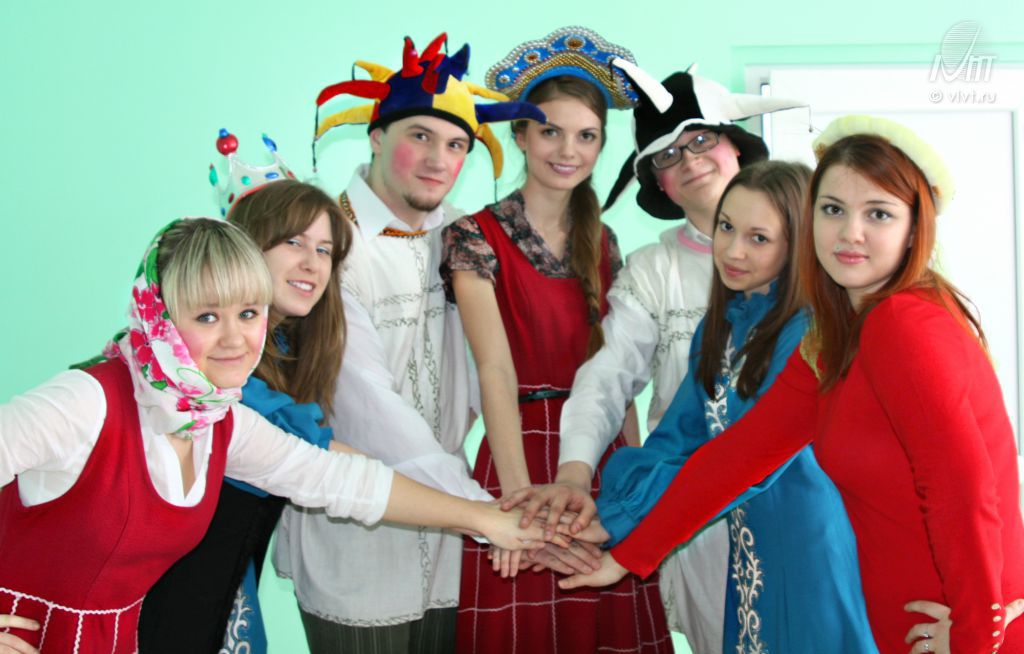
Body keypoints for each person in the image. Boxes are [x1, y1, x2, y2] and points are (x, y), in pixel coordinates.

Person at [558, 116, 1024, 654]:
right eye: (833, 209)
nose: (850, 233)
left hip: (943, 627)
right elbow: (740, 457)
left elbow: (964, 495)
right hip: (904, 622)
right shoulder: (836, 334)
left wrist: (976, 636)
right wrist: (626, 554)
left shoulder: (903, 323)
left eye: (878, 213)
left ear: (916, 229)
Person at [0, 217, 544, 654]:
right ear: (157, 315)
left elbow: (337, 480)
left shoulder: (219, 420)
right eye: (207, 316)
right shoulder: (88, 400)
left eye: (248, 313)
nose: (235, 339)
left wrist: (484, 519)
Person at [504, 59, 804, 653]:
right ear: (657, 183)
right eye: (668, 154)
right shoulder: (652, 271)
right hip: (691, 518)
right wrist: (575, 473)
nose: (689, 160)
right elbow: (607, 377)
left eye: (701, 139)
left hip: (804, 510)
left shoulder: (818, 268)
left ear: (736, 146)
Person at [271, 33, 550, 654]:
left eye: (455, 145)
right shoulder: (325, 248)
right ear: (376, 137)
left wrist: (513, 498)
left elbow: (491, 368)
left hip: (453, 543)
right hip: (355, 536)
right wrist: (485, 511)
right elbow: (369, 409)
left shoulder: (463, 239)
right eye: (419, 136)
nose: (437, 160)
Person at [443, 27, 670, 654]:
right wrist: (518, 505)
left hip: (596, 457)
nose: (568, 150)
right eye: (550, 131)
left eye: (587, 136)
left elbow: (618, 378)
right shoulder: (474, 236)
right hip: (516, 449)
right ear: (520, 136)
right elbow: (494, 369)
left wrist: (631, 488)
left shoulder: (605, 242)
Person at [593, 159, 877, 652]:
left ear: (798, 244)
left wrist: (623, 540)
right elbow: (677, 440)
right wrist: (603, 516)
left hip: (815, 551)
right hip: (751, 548)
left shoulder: (810, 331)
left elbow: (743, 459)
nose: (733, 249)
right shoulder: (721, 324)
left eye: (758, 238)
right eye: (726, 227)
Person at [138, 135, 353, 653]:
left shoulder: (287, 355)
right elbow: (321, 460)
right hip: (161, 613)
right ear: (246, 249)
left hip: (225, 610)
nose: (313, 263)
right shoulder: (200, 375)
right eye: (293, 242)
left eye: (324, 249)